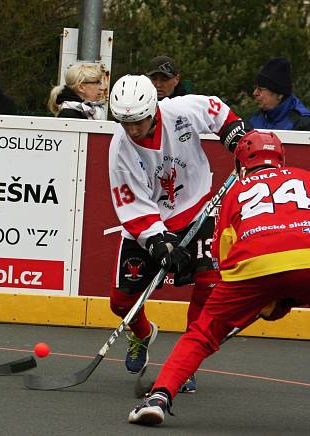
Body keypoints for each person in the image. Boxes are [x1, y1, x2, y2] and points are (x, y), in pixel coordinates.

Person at [128, 130, 310, 426]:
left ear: (240, 165)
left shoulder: (235, 191)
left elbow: (222, 253)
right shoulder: (305, 176)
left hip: (254, 264)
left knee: (201, 335)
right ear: (281, 160)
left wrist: (260, 297)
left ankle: (159, 398)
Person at [107, 75, 248, 393]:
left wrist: (240, 144)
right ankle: (142, 333)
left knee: (209, 287)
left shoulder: (180, 111)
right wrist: (158, 242)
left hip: (197, 209)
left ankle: (185, 364)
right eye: (124, 122)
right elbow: (133, 206)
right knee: (121, 302)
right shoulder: (120, 149)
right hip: (150, 224)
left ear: (152, 110)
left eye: (137, 122)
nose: (131, 130)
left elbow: (218, 113)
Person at [247, 57, 310, 131]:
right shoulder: (252, 120)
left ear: (280, 94)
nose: (254, 93)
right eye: (255, 88)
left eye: (260, 89)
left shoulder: (302, 123)